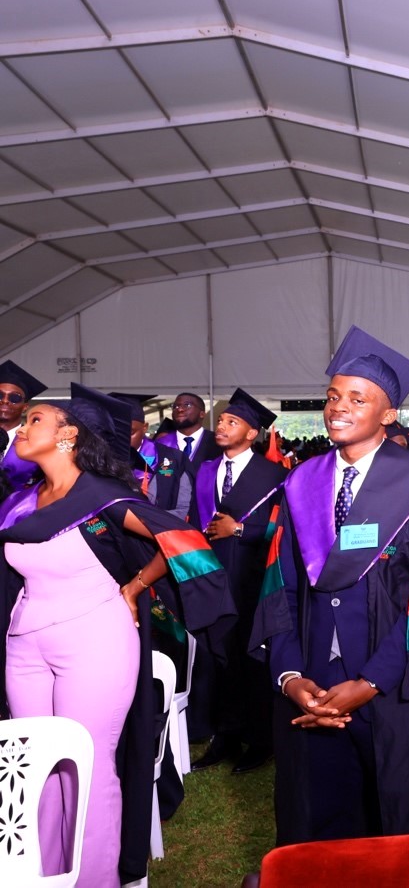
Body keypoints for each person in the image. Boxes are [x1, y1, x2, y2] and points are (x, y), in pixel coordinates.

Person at [252, 326, 409, 844]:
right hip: (315, 687)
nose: (338, 408)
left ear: (389, 415)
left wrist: (368, 684)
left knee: (405, 823)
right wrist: (292, 677)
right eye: (333, 397)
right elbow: (281, 588)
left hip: (399, 688)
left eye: (357, 399)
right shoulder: (301, 483)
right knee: (322, 824)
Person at [0, 384, 232, 885]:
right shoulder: (20, 503)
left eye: (34, 419)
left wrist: (136, 585)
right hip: (24, 646)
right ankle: (43, 875)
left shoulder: (102, 495)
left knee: (85, 765)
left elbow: (183, 539)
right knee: (38, 766)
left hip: (94, 642)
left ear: (68, 435)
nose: (21, 427)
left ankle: (94, 878)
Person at [189, 389, 288, 775]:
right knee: (219, 655)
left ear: (252, 434)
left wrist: (241, 529)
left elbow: (283, 528)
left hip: (253, 574)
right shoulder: (206, 470)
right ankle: (225, 735)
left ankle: (260, 739)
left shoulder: (274, 475)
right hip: (212, 573)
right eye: (223, 420)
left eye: (233, 422)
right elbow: (199, 520)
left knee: (251, 655)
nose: (222, 426)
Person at [113, 392, 193, 519]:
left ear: (145, 427)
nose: (123, 439)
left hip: (162, 533)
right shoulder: (101, 459)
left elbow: (184, 509)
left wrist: (143, 522)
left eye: (130, 432)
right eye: (118, 432)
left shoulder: (174, 458)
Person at [0, 360, 47, 494]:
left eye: (14, 398)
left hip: (22, 513)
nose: (5, 401)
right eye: (0, 395)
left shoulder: (38, 443)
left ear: (25, 407)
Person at [157, 392, 220, 464]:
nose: (180, 409)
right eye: (175, 406)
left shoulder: (217, 442)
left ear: (202, 414)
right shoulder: (162, 443)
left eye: (187, 405)